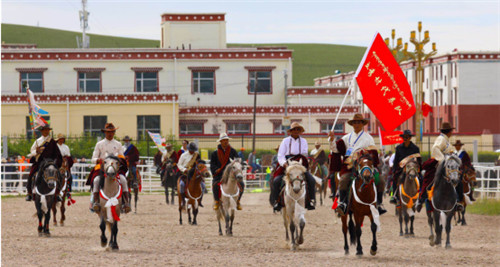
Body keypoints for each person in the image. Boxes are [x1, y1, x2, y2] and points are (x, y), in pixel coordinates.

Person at [328, 113, 386, 216]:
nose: (357, 124)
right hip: (349, 167)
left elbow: (373, 153)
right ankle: (342, 203)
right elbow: (335, 149)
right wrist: (332, 140)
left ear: (363, 124)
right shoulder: (346, 138)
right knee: (343, 180)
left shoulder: (369, 138)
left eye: (359, 122)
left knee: (380, 180)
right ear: (352, 124)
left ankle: (379, 203)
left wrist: (363, 155)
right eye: (355, 122)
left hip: (364, 166)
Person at [416, 122, 464, 212]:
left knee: (457, 179)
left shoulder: (446, 140)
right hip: (441, 163)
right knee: (430, 180)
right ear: (449, 131)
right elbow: (435, 148)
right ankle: (421, 200)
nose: (452, 133)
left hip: (449, 164)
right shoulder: (441, 139)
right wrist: (442, 160)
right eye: (451, 131)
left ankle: (457, 201)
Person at [271, 122, 317, 211]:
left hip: (300, 163)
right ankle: (277, 201)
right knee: (276, 181)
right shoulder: (285, 141)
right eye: (294, 129)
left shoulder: (304, 141)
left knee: (311, 180)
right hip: (286, 163)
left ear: (300, 131)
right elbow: (280, 155)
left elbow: (304, 154)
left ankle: (311, 200)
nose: (296, 131)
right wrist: (285, 164)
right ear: (290, 131)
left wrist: (301, 164)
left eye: (298, 129)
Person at [89, 123, 131, 213]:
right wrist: (98, 160)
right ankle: (95, 202)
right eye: (108, 132)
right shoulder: (99, 144)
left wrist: (120, 160)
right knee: (96, 180)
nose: (110, 133)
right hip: (102, 168)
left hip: (115, 168)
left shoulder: (118, 144)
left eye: (112, 132)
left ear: (114, 132)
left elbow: (122, 157)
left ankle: (126, 203)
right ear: (105, 132)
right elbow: (93, 159)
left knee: (123, 179)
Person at [25, 125, 63, 201]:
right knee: (31, 174)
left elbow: (57, 154)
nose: (46, 131)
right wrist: (36, 151)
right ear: (41, 131)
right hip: (40, 162)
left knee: (59, 175)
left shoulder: (52, 141)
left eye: (47, 130)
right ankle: (29, 193)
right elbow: (31, 152)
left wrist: (56, 162)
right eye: (44, 130)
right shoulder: (37, 141)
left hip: (50, 162)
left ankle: (58, 193)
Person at [210, 133, 244, 210]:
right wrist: (216, 170)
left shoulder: (233, 151)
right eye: (224, 140)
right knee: (215, 185)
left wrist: (238, 164)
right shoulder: (215, 153)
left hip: (231, 174)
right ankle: (217, 201)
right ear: (220, 141)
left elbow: (238, 160)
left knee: (242, 184)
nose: (226, 142)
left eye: (227, 140)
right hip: (220, 174)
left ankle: (238, 201)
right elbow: (212, 164)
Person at [389, 130, 421, 205]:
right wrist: (394, 170)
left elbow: (419, 160)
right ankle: (394, 196)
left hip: (413, 168)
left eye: (407, 137)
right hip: (401, 169)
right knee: (395, 178)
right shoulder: (399, 148)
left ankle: (421, 196)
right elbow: (396, 160)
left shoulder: (415, 148)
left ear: (410, 138)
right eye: (404, 137)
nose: (405, 138)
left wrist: (419, 169)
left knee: (421, 179)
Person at [177, 142, 204, 207]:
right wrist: (184, 170)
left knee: (203, 185)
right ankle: (183, 200)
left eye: (193, 150)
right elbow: (179, 164)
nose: (192, 152)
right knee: (181, 184)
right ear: (188, 149)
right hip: (185, 173)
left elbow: (199, 164)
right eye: (191, 150)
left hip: (195, 173)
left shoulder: (197, 155)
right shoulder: (183, 155)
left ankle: (199, 200)